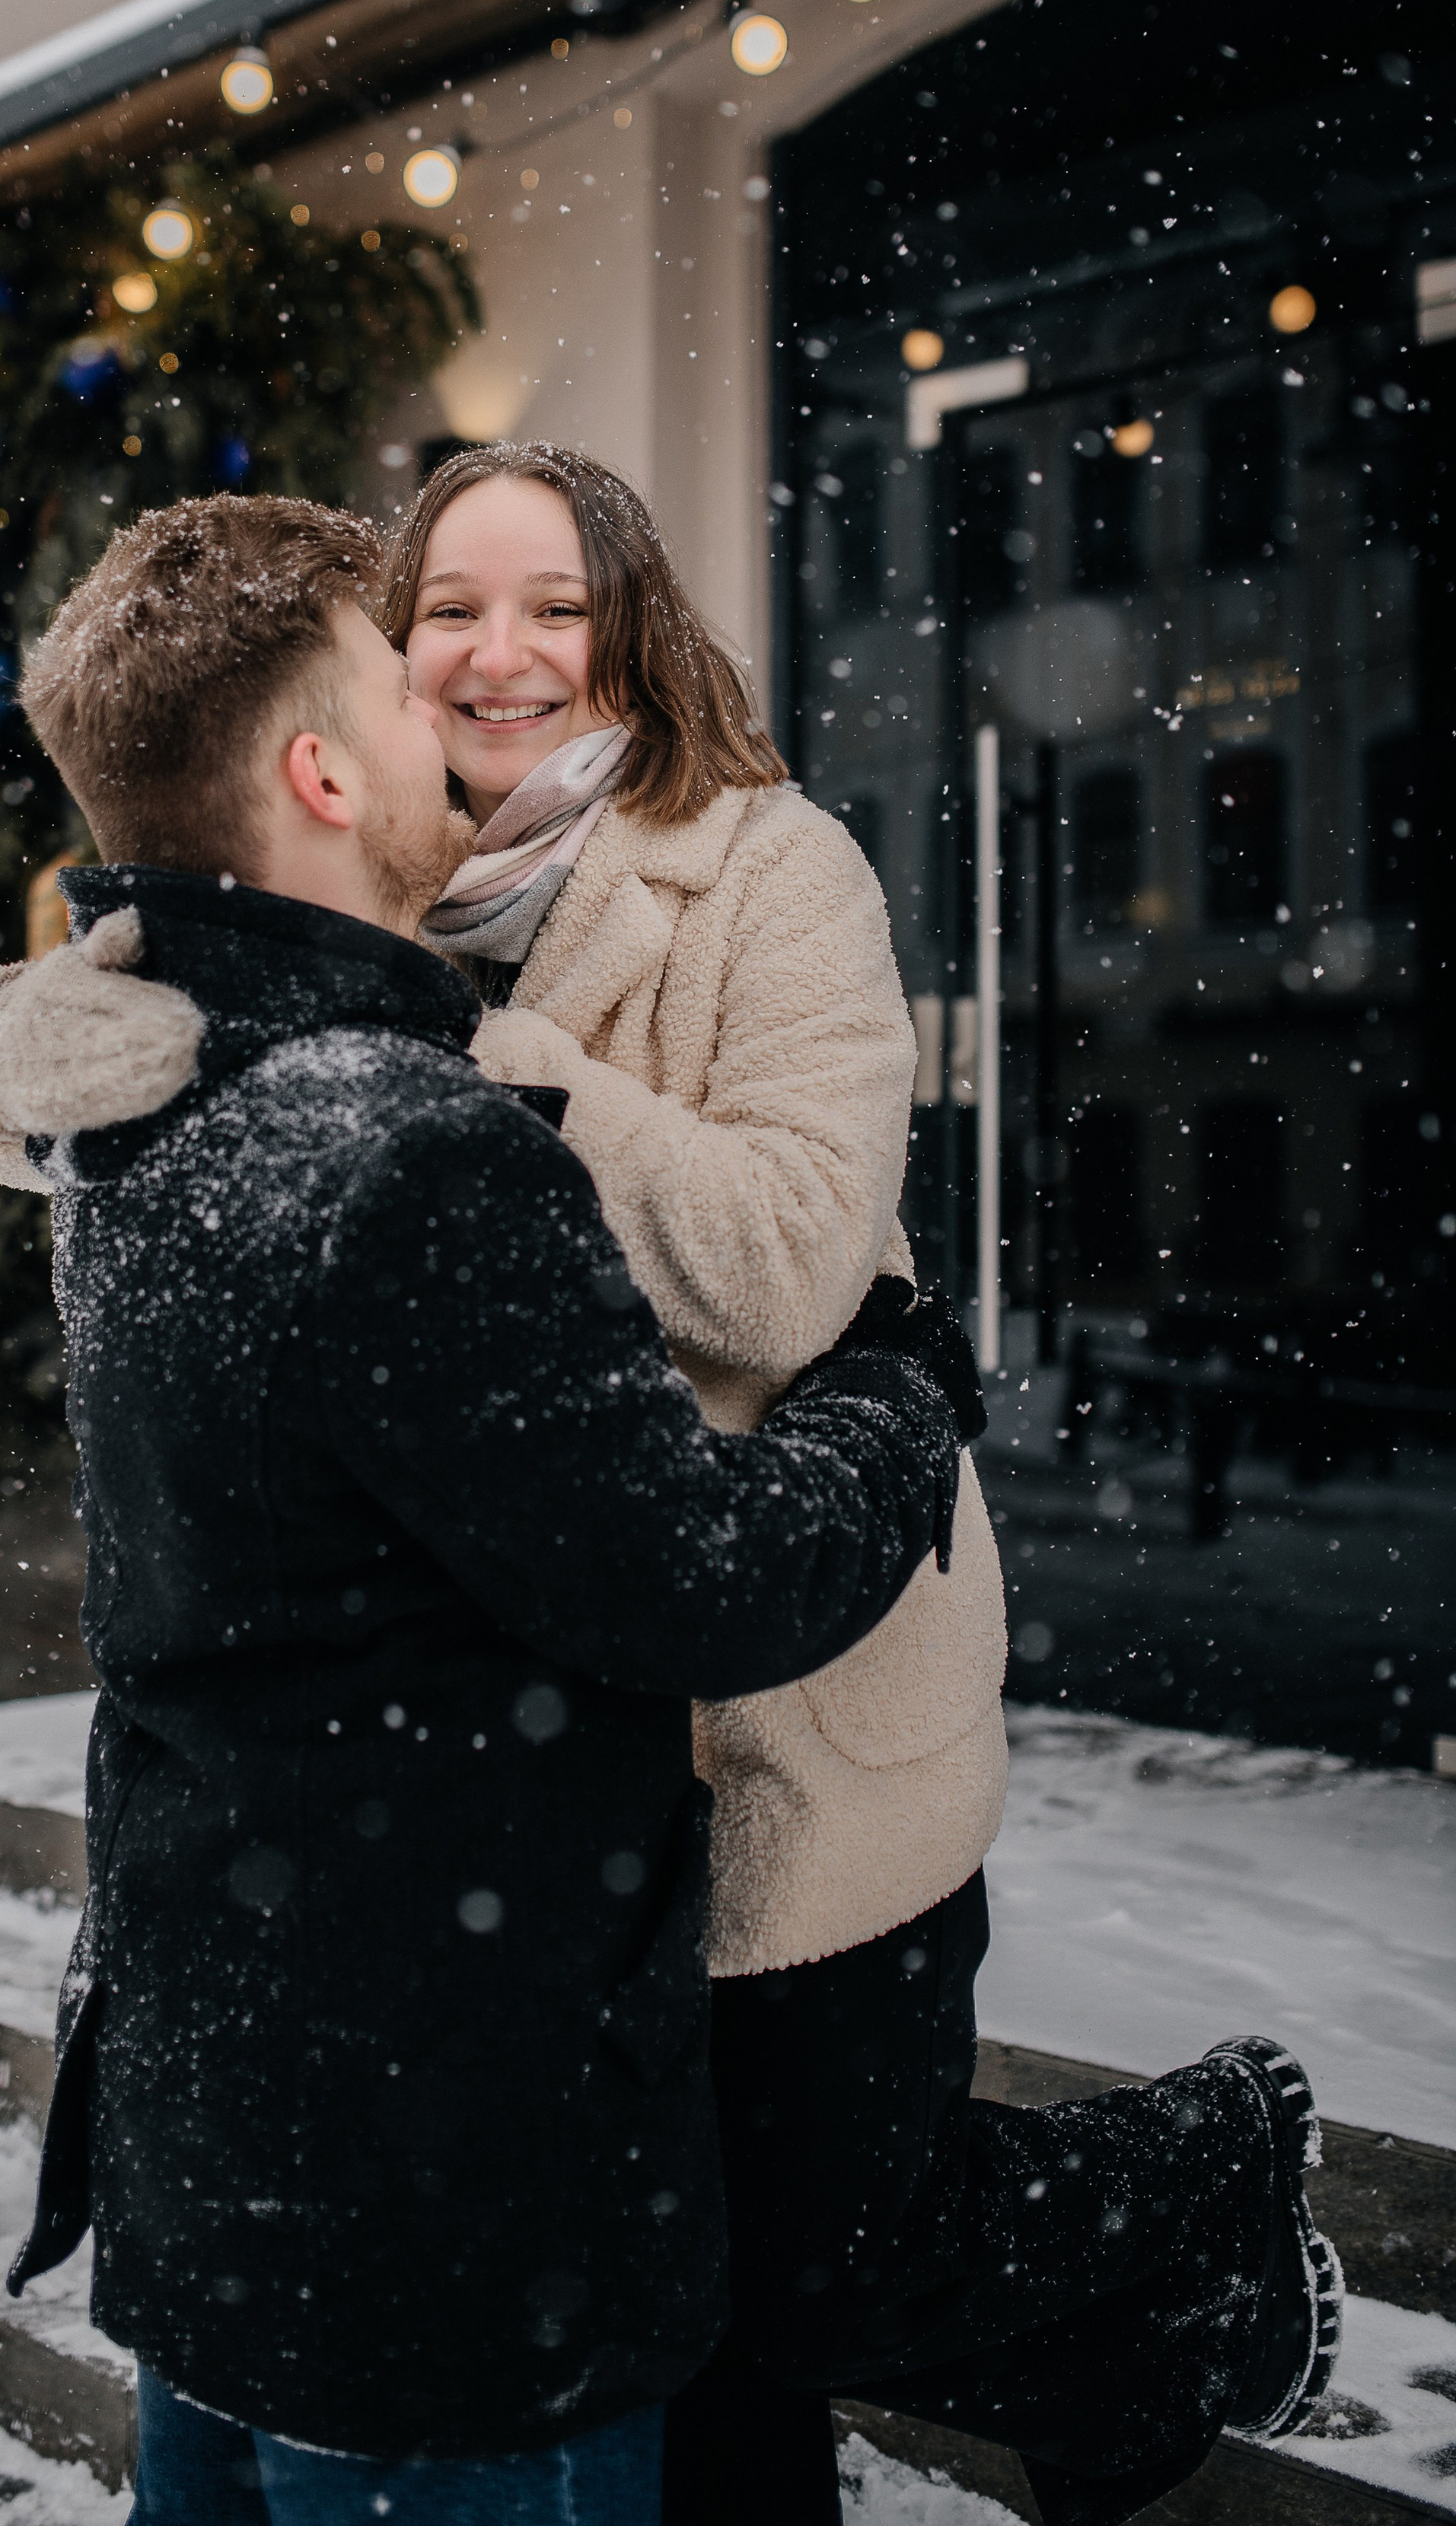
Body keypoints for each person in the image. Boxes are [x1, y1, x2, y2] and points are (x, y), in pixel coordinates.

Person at [0, 490, 971, 2525]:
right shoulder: (402, 1146)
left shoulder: (150, 1100)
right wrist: (903, 1388)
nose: (449, 706)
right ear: (317, 771)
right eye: (403, 675)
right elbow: (708, 1577)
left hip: (232, 2120)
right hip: (441, 2195)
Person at [381, 443, 1341, 2526]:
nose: (501, 652)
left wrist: (515, 1091)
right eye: (452, 605)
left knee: (811, 2265)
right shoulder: (356, 899)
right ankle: (1144, 2350)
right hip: (539, 1744)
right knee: (694, 2340)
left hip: (796, 1689)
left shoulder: (769, 869)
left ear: (629, 622)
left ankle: (1201, 2156)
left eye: (551, 603)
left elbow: (795, 1258)